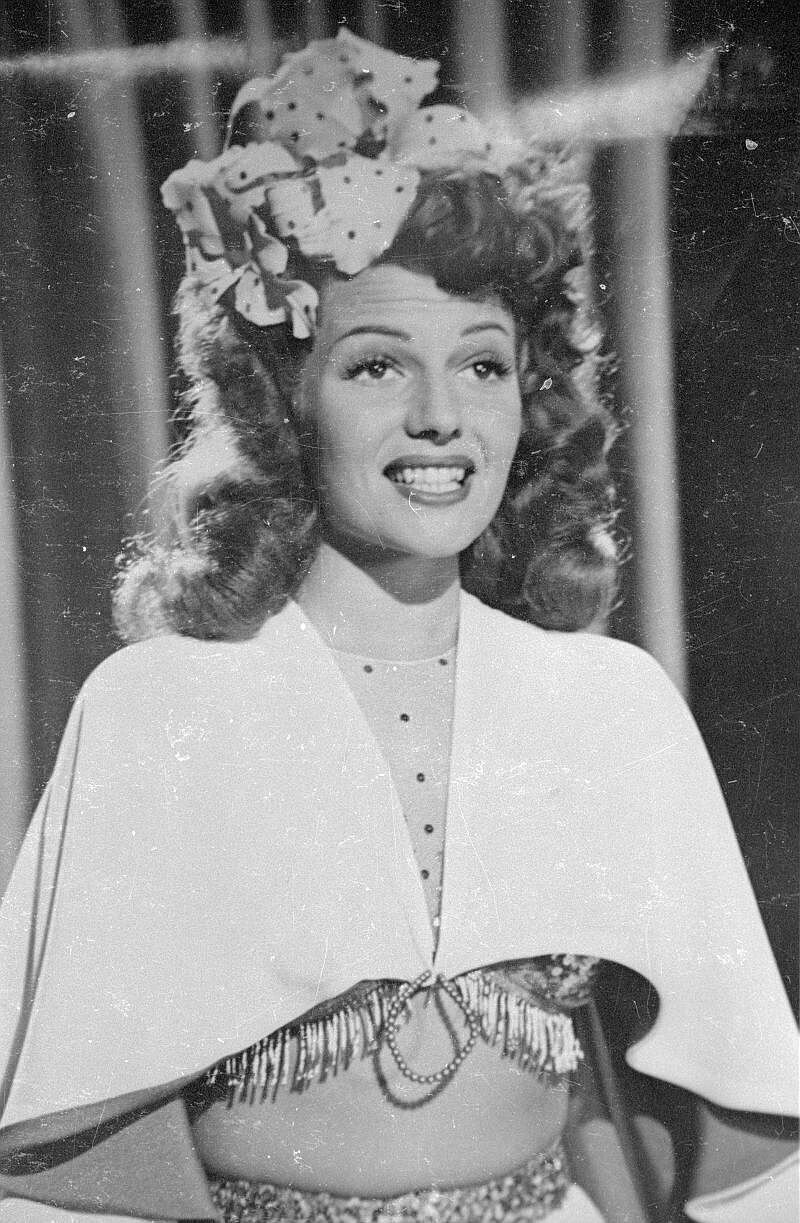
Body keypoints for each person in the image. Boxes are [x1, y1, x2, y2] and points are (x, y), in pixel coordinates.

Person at [0, 29, 796, 1223]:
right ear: (281, 398)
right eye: (376, 366)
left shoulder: (610, 700)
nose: (440, 417)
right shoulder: (159, 707)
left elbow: (725, 1124)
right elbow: (81, 1147)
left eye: (482, 366)